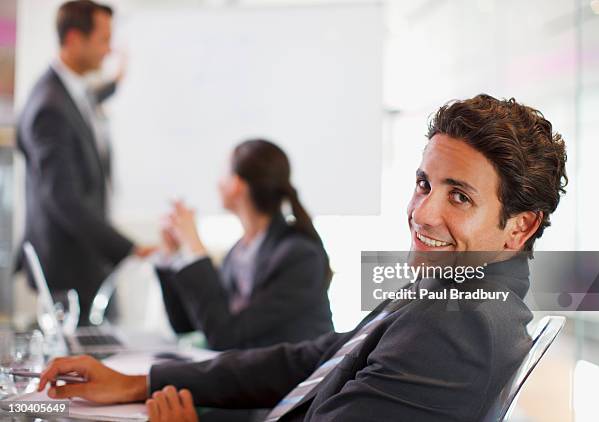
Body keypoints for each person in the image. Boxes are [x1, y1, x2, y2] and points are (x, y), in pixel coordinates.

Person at [38, 94, 568, 422]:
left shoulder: (462, 330)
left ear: (519, 227)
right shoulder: (453, 290)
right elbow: (312, 359)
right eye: (424, 184)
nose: (421, 214)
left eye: (459, 196)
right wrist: (140, 382)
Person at [16, 0, 152, 325]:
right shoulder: (50, 108)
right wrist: (129, 248)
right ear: (75, 39)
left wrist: (116, 83)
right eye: (104, 40)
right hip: (71, 266)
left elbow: (84, 108)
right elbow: (64, 199)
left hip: (84, 257)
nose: (109, 51)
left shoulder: (70, 91)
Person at [154, 139, 334, 350]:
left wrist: (195, 248)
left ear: (236, 184)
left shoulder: (300, 256)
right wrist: (171, 255)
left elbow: (225, 336)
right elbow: (187, 325)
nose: (217, 183)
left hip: (299, 379)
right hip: (254, 375)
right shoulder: (239, 253)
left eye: (222, 174)